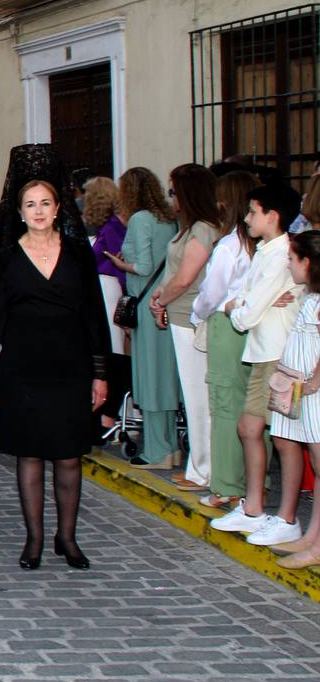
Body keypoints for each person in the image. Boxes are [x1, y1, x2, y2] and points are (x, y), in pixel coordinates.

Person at [0, 176, 111, 571]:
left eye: (45, 203)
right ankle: (34, 538)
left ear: (58, 208)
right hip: (22, 367)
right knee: (30, 454)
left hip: (71, 366)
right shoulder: (5, 257)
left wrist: (100, 373)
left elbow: (94, 316)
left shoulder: (77, 253)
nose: (38, 211)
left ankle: (67, 537)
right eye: (30, 205)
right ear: (20, 213)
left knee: (69, 455)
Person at [212, 183, 305, 545]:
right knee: (250, 429)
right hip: (262, 353)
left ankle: (286, 518)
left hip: (279, 356)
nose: (247, 218)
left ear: (272, 216)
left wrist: (240, 306)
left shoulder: (282, 254)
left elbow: (243, 314)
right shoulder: (266, 250)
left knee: (283, 439)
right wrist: (241, 304)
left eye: (252, 212)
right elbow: (238, 299)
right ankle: (253, 508)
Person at [148, 164, 220, 491]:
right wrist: (159, 299)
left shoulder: (203, 229)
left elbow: (186, 277)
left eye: (174, 190)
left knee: (198, 398)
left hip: (193, 320)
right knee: (192, 397)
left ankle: (204, 470)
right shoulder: (188, 228)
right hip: (180, 316)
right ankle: (198, 466)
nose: (171, 197)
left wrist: (162, 300)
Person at [192, 170, 260, 510]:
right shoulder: (260, 244)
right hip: (255, 326)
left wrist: (196, 313)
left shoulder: (230, 245)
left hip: (226, 324)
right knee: (253, 405)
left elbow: (212, 293)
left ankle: (227, 485)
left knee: (224, 405)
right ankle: (253, 480)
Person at [107, 167, 180, 468]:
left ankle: (157, 450)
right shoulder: (168, 220)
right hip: (165, 302)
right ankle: (171, 446)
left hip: (147, 304)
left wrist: (119, 264)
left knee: (149, 379)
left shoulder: (139, 219)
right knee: (165, 379)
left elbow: (144, 265)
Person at [267, 232, 320, 568]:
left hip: (314, 391)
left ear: (308, 263)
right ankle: (313, 536)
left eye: (292, 259)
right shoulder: (310, 296)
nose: (288, 264)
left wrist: (316, 380)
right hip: (304, 389)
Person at [83, 176, 126, 355]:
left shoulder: (111, 228)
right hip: (104, 288)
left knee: (112, 342)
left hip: (108, 290)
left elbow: (119, 264)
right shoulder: (109, 227)